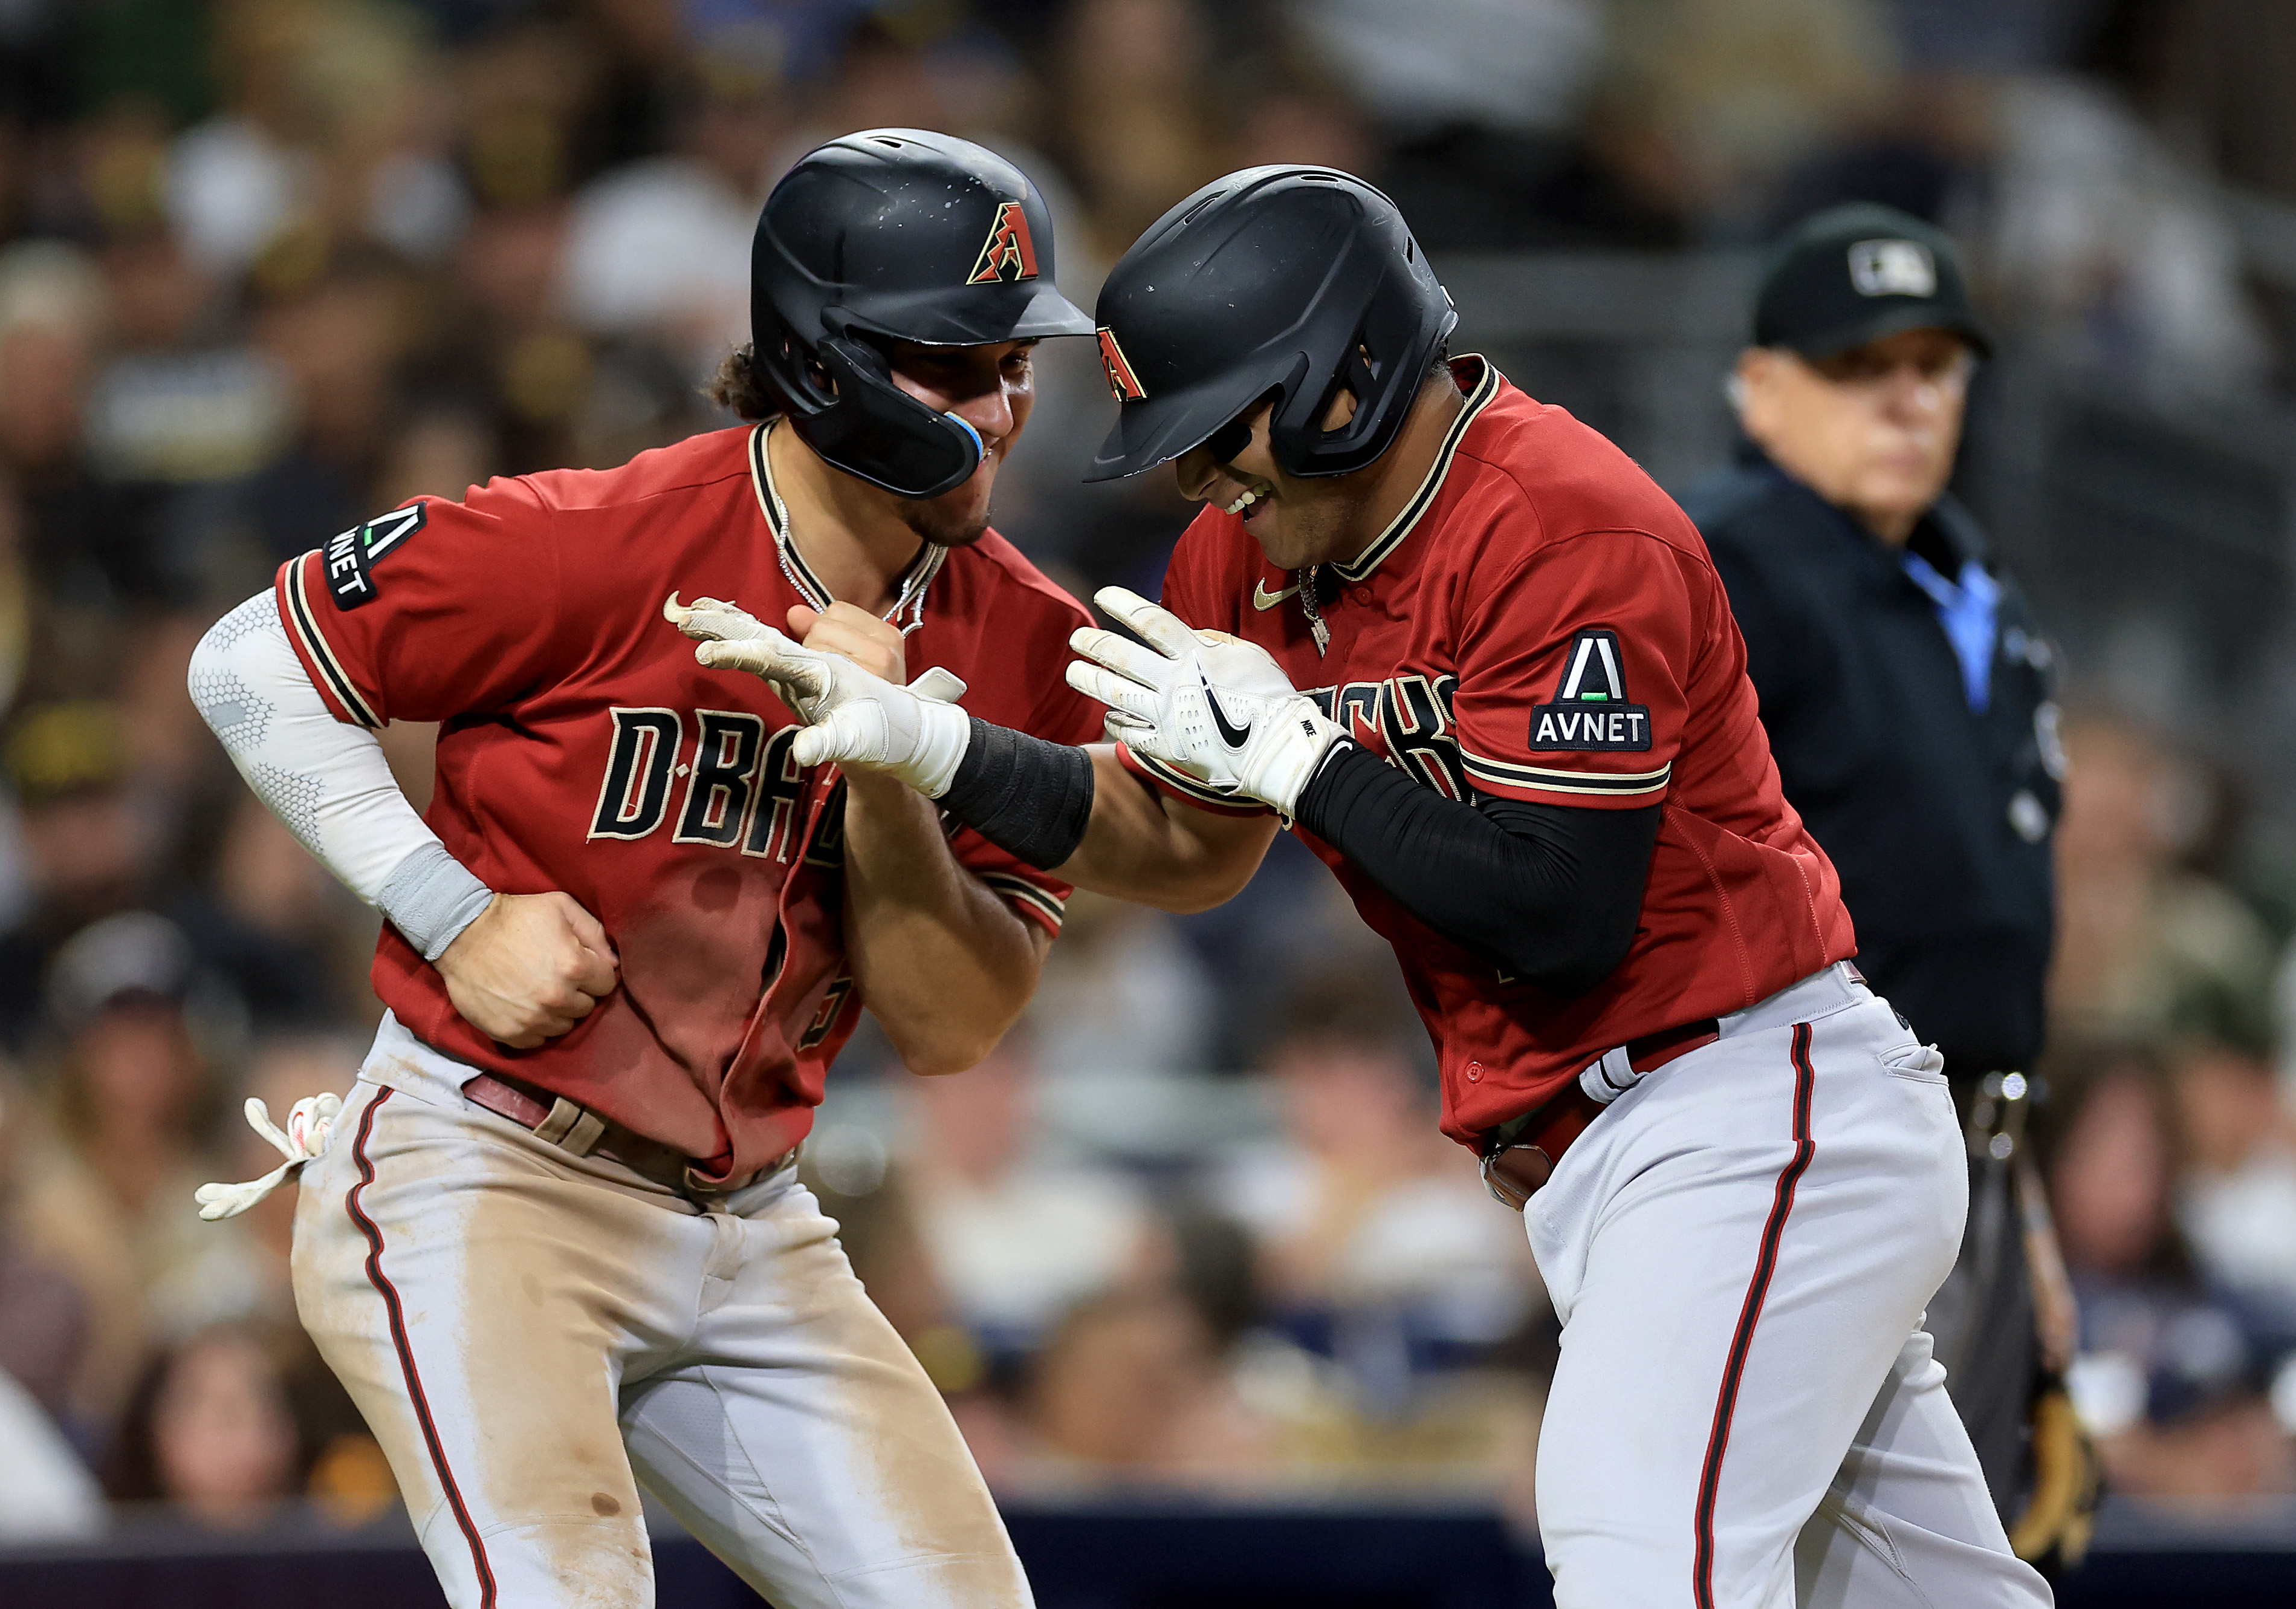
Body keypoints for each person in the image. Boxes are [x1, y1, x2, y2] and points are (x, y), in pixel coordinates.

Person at [681, 167, 2051, 1607]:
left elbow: (1559, 912)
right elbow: (1179, 831)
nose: (1201, 481)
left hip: (1747, 1103)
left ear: (1344, 378)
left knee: (1642, 1559)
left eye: (1222, 435)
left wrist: (1304, 754)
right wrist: (943, 749)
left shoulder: (1569, 523)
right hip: (1624, 1144)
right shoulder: (1252, 548)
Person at [189, 129, 1103, 1608]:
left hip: (758, 1219)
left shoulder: (1021, 641)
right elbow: (245, 664)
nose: (1002, 409)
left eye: (1019, 363)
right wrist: (448, 906)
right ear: (825, 358)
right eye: (959, 364)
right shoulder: (598, 542)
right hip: (488, 1165)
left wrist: (887, 768)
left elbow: (951, 1025)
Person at [1678, 203, 2094, 1572]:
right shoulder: (1727, 561)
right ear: (1760, 387)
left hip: (1968, 1135)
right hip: (1806, 1138)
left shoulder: (1965, 573)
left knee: (1939, 1550)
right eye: (1863, 366)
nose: (1908, 397)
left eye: (1936, 365)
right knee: (1780, 1547)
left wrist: (2016, 1191)